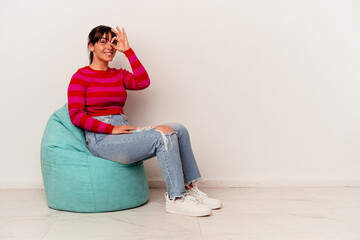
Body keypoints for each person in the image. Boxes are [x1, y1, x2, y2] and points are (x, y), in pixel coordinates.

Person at [67, 25, 221, 217]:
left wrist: (128, 50)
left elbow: (143, 82)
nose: (109, 47)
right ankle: (176, 198)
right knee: (161, 136)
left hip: (122, 130)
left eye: (113, 42)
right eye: (103, 41)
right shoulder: (80, 76)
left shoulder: (118, 74)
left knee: (178, 129)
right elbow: (75, 115)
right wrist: (110, 130)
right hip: (101, 139)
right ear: (91, 46)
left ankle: (189, 188)